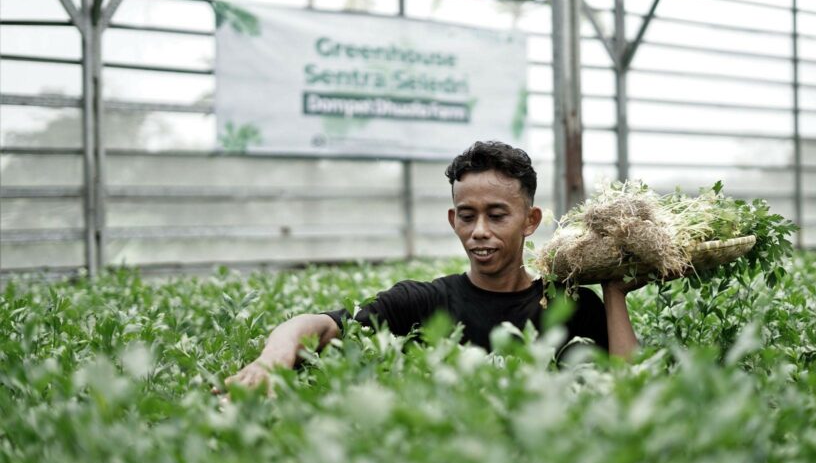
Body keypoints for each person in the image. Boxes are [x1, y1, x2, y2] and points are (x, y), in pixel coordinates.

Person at [222, 141, 641, 391]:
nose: (478, 231)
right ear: (451, 219)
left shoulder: (568, 304)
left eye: (497, 215)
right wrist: (272, 356)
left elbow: (630, 384)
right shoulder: (420, 303)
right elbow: (321, 326)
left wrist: (614, 294)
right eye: (466, 215)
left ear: (530, 221)